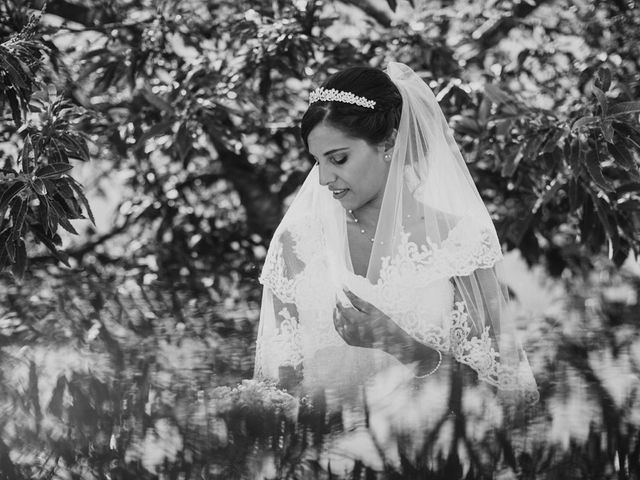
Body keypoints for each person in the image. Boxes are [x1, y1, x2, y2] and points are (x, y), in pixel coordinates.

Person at [253, 62, 538, 406]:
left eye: (338, 159)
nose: (324, 178)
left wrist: (399, 344)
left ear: (388, 141)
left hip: (437, 451)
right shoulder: (298, 244)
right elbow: (280, 389)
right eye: (317, 161)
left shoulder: (461, 244)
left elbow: (506, 394)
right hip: (329, 452)